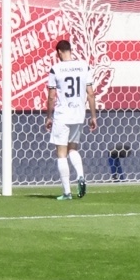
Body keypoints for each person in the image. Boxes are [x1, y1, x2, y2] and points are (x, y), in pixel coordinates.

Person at [44, 38, 98, 200]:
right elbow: (90, 93)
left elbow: (52, 96)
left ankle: (67, 192)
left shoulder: (56, 69)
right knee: (73, 149)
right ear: (71, 50)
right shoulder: (83, 66)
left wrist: (48, 116)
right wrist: (93, 116)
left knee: (61, 154)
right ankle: (81, 176)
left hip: (62, 115)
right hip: (78, 114)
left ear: (59, 52)